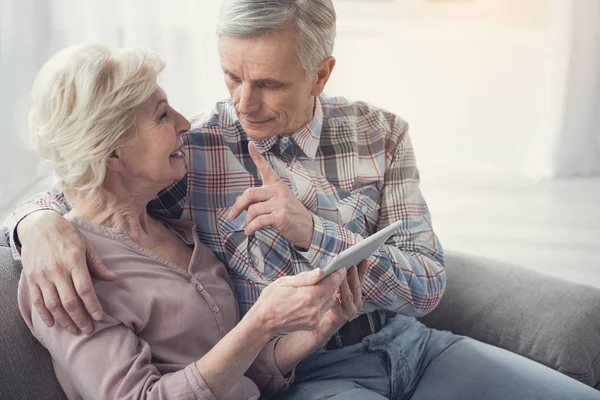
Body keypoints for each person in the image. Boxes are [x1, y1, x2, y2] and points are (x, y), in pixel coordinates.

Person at [5, 1, 600, 399]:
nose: (242, 103)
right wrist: (33, 226)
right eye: (231, 77)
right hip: (307, 375)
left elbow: (427, 286)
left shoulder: (379, 135)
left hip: (410, 343)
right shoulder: (200, 148)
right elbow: (89, 181)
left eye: (267, 83)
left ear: (320, 74)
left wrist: (311, 230)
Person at [13, 43, 364, 400]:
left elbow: (234, 374)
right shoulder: (63, 278)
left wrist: (318, 328)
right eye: (162, 115)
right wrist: (260, 322)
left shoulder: (177, 231)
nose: (184, 124)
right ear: (112, 152)